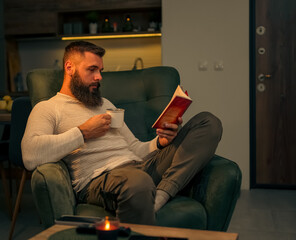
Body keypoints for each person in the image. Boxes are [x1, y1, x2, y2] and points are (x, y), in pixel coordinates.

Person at [21, 41, 222, 225]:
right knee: (138, 181)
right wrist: (82, 132)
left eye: (100, 70)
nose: (99, 77)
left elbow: (135, 148)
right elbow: (30, 155)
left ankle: (161, 193)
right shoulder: (48, 108)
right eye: (92, 70)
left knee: (208, 122)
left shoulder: (105, 104)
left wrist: (160, 143)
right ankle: (153, 197)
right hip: (100, 179)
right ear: (69, 67)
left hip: (141, 167)